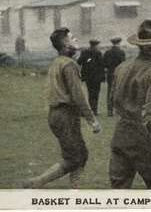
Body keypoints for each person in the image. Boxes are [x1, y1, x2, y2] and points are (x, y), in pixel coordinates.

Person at [23, 28, 101, 189]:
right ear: (66, 43)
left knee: (81, 154)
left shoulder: (57, 62)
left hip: (58, 114)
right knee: (74, 158)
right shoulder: (68, 64)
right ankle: (36, 183)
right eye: (73, 38)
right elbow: (79, 97)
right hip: (65, 115)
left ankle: (75, 190)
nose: (76, 39)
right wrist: (92, 121)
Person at [109, 19, 151, 189]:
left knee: (119, 191)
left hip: (120, 134)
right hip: (143, 138)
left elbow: (112, 100)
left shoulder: (122, 68)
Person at [77, 39, 105, 116]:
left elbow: (79, 62)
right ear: (96, 45)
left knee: (90, 93)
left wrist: (87, 61)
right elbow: (102, 64)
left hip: (87, 76)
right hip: (96, 76)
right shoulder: (98, 53)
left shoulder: (84, 52)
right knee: (95, 94)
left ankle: (88, 110)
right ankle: (94, 110)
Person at [103, 37, 126, 117]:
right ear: (119, 43)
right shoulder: (121, 52)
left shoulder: (107, 52)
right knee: (119, 91)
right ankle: (118, 110)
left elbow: (104, 64)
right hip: (119, 73)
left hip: (110, 73)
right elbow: (123, 64)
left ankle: (110, 110)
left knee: (110, 91)